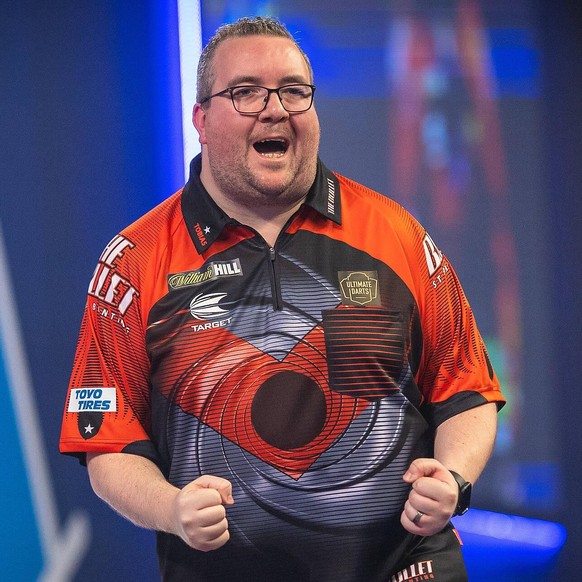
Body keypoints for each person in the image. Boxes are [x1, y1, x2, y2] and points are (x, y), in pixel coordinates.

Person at [60, 16, 504, 582]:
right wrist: (171, 510)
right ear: (200, 119)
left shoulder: (395, 234)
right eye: (245, 92)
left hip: (404, 568)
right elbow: (108, 440)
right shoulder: (134, 261)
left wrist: (453, 479)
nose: (275, 109)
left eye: (294, 91)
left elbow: (466, 392)